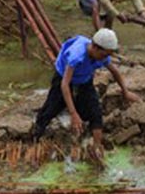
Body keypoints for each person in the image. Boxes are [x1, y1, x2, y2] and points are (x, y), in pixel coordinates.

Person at [31, 28, 139, 159]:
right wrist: (73, 114)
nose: (105, 58)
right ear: (95, 47)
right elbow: (65, 84)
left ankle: (97, 147)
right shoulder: (77, 55)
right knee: (51, 108)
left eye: (108, 55)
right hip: (63, 76)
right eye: (104, 55)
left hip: (84, 78)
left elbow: (115, 71)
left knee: (95, 110)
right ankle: (35, 137)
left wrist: (125, 92)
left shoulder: (102, 55)